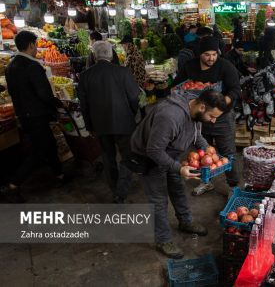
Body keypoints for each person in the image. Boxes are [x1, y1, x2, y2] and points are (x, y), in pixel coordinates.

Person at [131, 90, 227, 258]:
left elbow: (196, 136)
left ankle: (185, 222)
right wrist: (178, 168)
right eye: (212, 116)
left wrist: (208, 152)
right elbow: (154, 150)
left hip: (170, 153)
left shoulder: (195, 109)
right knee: (158, 200)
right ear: (202, 107)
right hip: (148, 157)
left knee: (177, 188)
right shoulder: (170, 116)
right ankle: (163, 240)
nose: (214, 121)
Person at [174, 36, 241, 195]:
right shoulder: (190, 66)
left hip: (221, 118)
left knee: (227, 153)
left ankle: (233, 186)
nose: (211, 58)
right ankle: (206, 182)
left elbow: (236, 90)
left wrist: (221, 103)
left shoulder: (225, 66)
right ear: (199, 54)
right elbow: (177, 84)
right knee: (202, 153)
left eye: (214, 54)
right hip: (198, 119)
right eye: (206, 55)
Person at [3, 31, 65, 202]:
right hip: (37, 115)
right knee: (39, 150)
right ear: (31, 45)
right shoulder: (33, 66)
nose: (37, 48)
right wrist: (57, 104)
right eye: (35, 44)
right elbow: (43, 93)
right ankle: (14, 184)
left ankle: (59, 174)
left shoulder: (10, 67)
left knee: (49, 143)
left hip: (23, 115)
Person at [78, 41, 141, 203]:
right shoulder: (122, 72)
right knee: (127, 157)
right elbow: (135, 97)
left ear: (94, 56)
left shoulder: (85, 76)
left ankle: (114, 189)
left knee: (108, 157)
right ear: (111, 55)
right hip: (124, 122)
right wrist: (134, 115)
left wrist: (89, 125)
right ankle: (121, 193)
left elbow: (83, 105)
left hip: (100, 125)